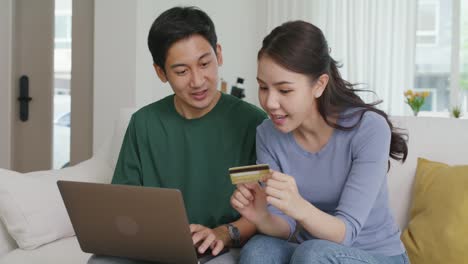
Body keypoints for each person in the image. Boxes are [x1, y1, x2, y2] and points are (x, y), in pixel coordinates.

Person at [88, 6, 266, 264]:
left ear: (219, 54)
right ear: (161, 72)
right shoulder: (144, 123)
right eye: (182, 71)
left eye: (205, 64)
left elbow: (263, 212)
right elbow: (125, 205)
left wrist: (222, 234)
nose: (197, 81)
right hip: (156, 247)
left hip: (221, 247)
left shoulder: (253, 124)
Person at [230, 21, 410, 264]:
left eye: (284, 90)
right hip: (309, 253)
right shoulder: (267, 133)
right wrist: (262, 217)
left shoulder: (368, 129)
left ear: (319, 85)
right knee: (258, 250)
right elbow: (287, 226)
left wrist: (298, 205)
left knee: (313, 254)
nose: (270, 102)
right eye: (263, 87)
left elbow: (346, 233)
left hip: (374, 255)